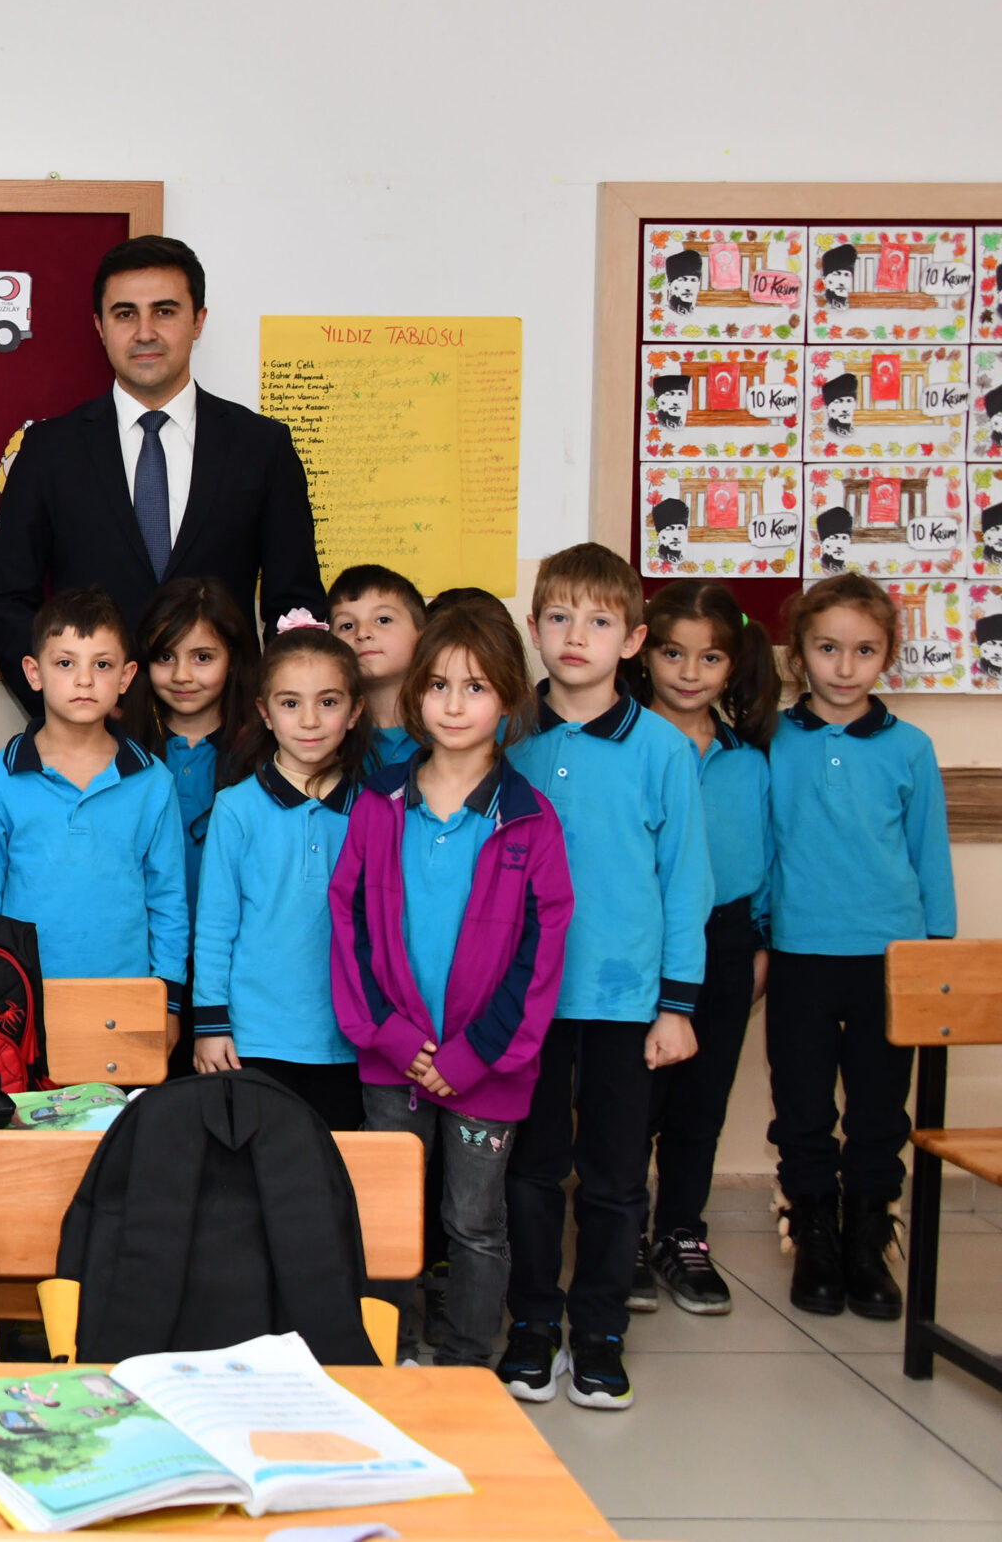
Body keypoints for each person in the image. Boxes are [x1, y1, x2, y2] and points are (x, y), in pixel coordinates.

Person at [499, 544, 711, 1412]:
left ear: (632, 639)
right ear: (535, 628)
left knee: (617, 1175)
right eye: (559, 617)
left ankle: (599, 1332)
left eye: (597, 620)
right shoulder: (506, 733)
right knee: (531, 1168)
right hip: (525, 1001)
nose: (575, 635)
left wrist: (677, 1004)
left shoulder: (662, 748)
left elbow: (686, 879)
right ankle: (533, 1324)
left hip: (626, 1000)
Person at [331, 602, 570, 1370]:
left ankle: (467, 1358)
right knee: (389, 1214)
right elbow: (350, 924)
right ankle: (391, 1350)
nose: (455, 704)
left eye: (476, 687)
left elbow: (540, 954)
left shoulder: (531, 820)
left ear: (508, 699)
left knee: (474, 1221)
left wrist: (472, 1055)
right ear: (415, 696)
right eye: (438, 685)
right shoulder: (378, 803)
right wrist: (395, 1037)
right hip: (391, 1059)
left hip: (487, 1068)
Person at [0, 234, 325, 713]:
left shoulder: (262, 447)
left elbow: (295, 604)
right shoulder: (47, 451)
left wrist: (277, 716)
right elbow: (6, 600)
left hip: (229, 734)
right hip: (89, 735)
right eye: (125, 314)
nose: (145, 332)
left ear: (198, 321)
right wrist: (67, 709)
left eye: (164, 311)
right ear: (100, 327)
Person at [766, 574, 954, 1322]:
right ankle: (813, 1230)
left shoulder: (910, 748)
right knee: (803, 1101)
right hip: (801, 952)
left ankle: (869, 1234)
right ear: (798, 654)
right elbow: (763, 847)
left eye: (865, 650)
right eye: (827, 648)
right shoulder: (772, 740)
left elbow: (929, 854)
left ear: (888, 656)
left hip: (891, 956)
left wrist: (936, 952)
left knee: (879, 1106)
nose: (845, 667)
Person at [623, 581, 777, 1318]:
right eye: (673, 653)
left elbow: (768, 858)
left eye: (709, 657)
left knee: (701, 1101)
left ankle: (681, 1231)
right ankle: (622, 1231)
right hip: (638, 938)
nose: (689, 672)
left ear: (733, 664)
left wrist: (761, 944)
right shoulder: (627, 745)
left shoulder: (749, 761)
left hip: (726, 938)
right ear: (643, 653)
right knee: (630, 1101)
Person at [189, 624, 371, 1129]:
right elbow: (216, 926)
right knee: (260, 1168)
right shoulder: (235, 808)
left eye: (328, 702)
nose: (309, 720)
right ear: (265, 712)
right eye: (290, 703)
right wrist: (211, 1025)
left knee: (337, 1167)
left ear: (355, 710)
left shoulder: (375, 810)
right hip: (253, 1039)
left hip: (349, 1040)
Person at [0, 588, 187, 989]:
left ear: (126, 677)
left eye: (102, 664)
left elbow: (168, 899)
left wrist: (167, 997)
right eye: (65, 663)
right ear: (34, 673)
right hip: (20, 994)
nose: (85, 680)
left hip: (125, 995)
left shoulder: (153, 782)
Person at [134, 576, 259, 1075]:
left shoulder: (263, 759)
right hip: (143, 969)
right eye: (166, 656)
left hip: (233, 976)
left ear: (234, 659)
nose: (183, 675)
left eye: (203, 657)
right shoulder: (121, 753)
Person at [328, 564, 426, 771]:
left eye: (383, 620)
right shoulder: (324, 734)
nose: (362, 633)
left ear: (422, 633)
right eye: (347, 626)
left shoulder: (452, 725)